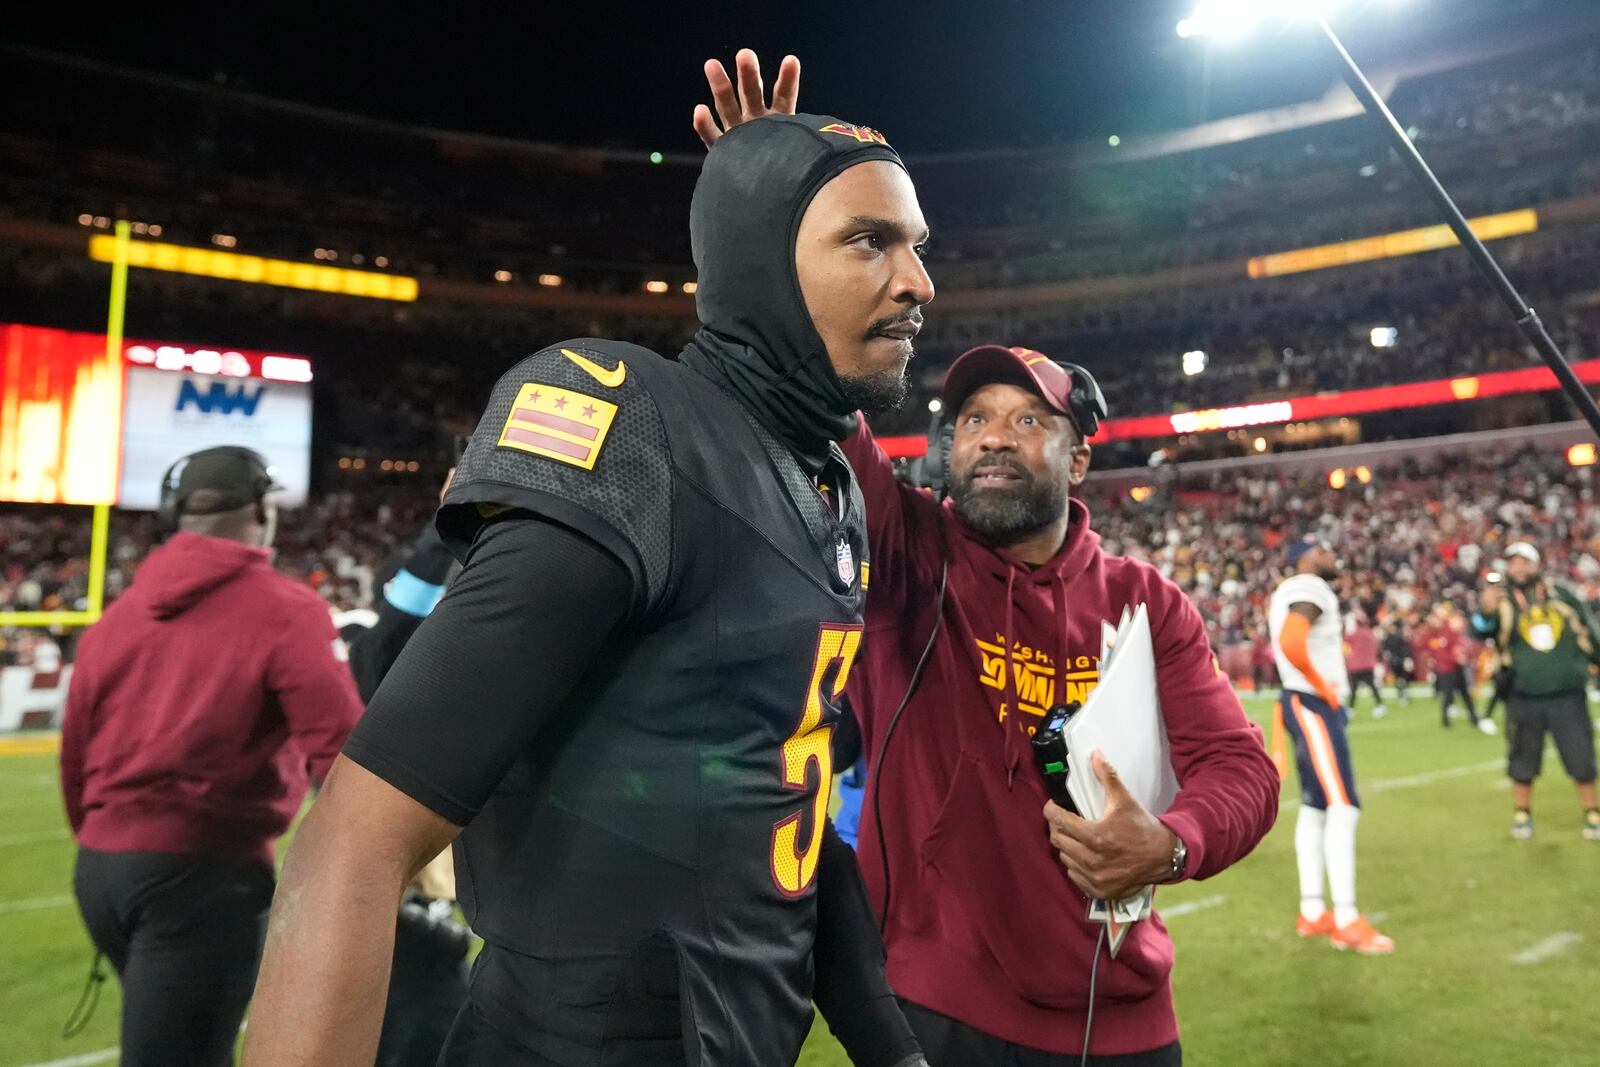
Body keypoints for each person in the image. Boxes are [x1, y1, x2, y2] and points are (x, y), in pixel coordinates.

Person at [244, 56, 932, 1067]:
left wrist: (893, 1047)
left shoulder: (824, 487)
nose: (917, 281)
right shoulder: (634, 432)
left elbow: (779, 809)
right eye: (868, 241)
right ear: (760, 264)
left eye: (916, 244)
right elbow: (356, 837)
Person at [841, 345, 1281, 1064]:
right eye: (975, 416)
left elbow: (1243, 767)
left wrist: (1172, 843)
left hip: (1125, 1018)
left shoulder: (1145, 601)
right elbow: (826, 404)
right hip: (937, 1006)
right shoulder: (905, 549)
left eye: (1029, 419)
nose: (993, 435)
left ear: (1078, 459)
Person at [58, 446, 365, 1067]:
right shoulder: (287, 611)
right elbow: (339, 751)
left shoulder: (115, 619)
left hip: (101, 871)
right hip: (203, 873)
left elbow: (74, 758)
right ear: (261, 509)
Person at [1269, 535, 1394, 955]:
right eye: (1322, 548)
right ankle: (1346, 919)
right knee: (1343, 805)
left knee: (1317, 806)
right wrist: (1322, 686)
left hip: (1300, 701)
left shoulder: (1293, 589)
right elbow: (1291, 640)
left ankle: (1313, 910)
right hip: (1312, 704)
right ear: (1304, 556)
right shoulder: (1310, 585)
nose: (1331, 554)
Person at [1471, 542, 1600, 841]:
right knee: (1522, 758)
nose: (1518, 568)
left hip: (1567, 692)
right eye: (1512, 563)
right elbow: (1479, 631)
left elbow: (1589, 630)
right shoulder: (1502, 601)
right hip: (1523, 694)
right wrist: (1486, 611)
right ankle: (1522, 813)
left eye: (1524, 562)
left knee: (1580, 757)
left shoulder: (1561, 594)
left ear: (1537, 564)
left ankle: (1592, 812)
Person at [1416, 604, 1493, 733]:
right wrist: (1455, 658)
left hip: (1456, 668)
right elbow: (1440, 651)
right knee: (1448, 696)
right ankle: (1446, 720)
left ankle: (1472, 717)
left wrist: (1462, 657)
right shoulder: (1442, 633)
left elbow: (1458, 648)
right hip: (1447, 669)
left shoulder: (1450, 632)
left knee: (1465, 694)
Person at [1343, 610, 1384, 718]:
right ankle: (1379, 705)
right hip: (1368, 664)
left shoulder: (1354, 634)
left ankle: (1351, 708)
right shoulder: (1369, 633)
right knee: (1372, 686)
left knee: (1353, 689)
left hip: (1355, 665)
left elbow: (1344, 639)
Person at [1380, 617, 1415, 708]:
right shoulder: (1387, 638)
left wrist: (1407, 658)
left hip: (1402, 660)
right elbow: (1384, 649)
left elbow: (1406, 648)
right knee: (1398, 678)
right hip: (1394, 661)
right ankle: (1400, 694)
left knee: (1404, 677)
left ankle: (1405, 692)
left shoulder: (1400, 637)